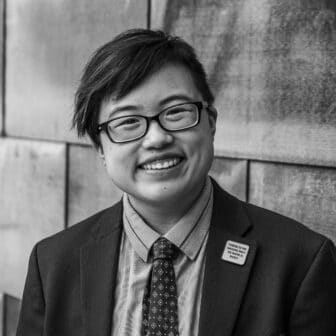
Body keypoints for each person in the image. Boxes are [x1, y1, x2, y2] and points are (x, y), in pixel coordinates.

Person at [17, 29, 336, 336]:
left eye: (176, 112)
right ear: (100, 147)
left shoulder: (301, 261)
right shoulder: (53, 264)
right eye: (128, 122)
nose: (157, 138)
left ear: (210, 122)